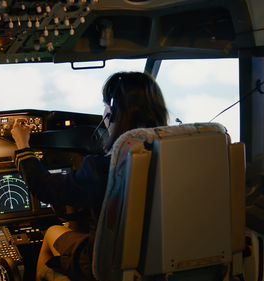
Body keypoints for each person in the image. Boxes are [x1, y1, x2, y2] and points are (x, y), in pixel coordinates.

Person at [11, 71, 168, 281]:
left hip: (107, 266)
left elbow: (46, 188)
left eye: (106, 104)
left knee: (51, 233)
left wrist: (23, 145)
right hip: (160, 259)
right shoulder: (173, 157)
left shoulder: (106, 168)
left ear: (113, 113)